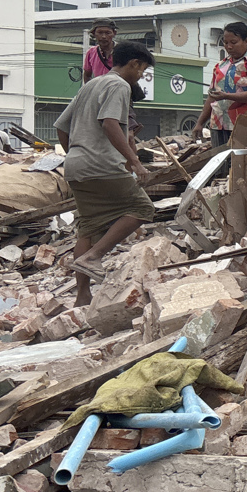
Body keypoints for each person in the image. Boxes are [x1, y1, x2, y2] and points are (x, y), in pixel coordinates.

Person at [56, 41, 157, 304]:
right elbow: (110, 123)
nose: (141, 76)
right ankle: (94, 256)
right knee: (142, 209)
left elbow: (61, 126)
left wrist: (76, 153)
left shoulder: (91, 85)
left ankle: (82, 296)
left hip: (76, 167)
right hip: (102, 166)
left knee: (88, 228)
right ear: (134, 63)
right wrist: (133, 160)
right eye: (143, 70)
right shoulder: (119, 85)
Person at [193, 21, 247, 147]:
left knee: (242, 163)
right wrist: (200, 123)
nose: (228, 47)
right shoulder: (220, 66)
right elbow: (212, 96)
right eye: (225, 42)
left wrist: (226, 96)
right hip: (218, 125)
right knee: (221, 163)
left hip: (245, 125)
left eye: (233, 42)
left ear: (246, 41)